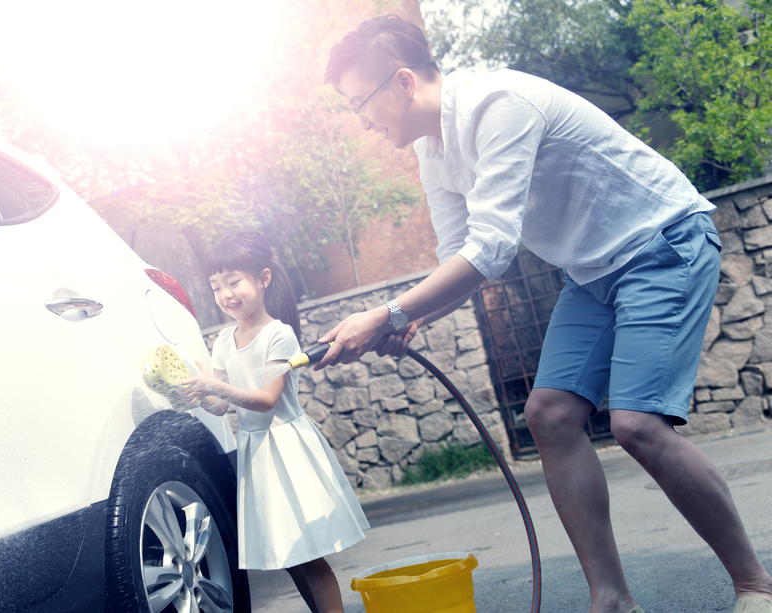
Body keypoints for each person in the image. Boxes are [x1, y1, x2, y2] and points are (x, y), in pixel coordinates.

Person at [317, 13, 772, 613]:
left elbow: (493, 249)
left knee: (637, 425)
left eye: (361, 103)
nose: (362, 122)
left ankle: (755, 585)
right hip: (591, 273)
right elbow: (459, 255)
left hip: (663, 243)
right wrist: (409, 318)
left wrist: (387, 313)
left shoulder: (497, 105)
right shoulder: (434, 151)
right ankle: (610, 600)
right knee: (549, 414)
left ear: (403, 82)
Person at [181, 230, 369, 613]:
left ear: (262, 279)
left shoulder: (278, 335)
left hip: (286, 448)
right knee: (290, 557)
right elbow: (222, 405)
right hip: (256, 451)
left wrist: (215, 385)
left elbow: (266, 400)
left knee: (308, 552)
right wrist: (202, 392)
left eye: (234, 282)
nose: (225, 294)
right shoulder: (222, 340)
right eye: (216, 286)